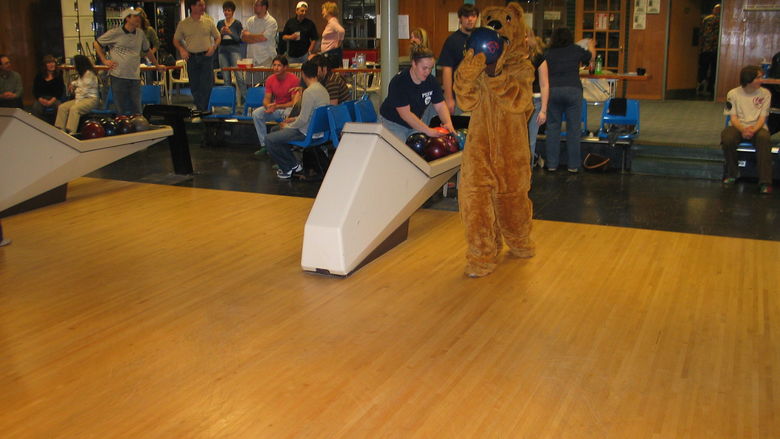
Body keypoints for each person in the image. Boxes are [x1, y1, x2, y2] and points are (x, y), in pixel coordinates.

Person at [265, 60, 330, 179]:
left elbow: (303, 120)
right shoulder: (323, 90)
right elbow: (310, 114)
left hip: (306, 132)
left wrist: (288, 126)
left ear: (303, 74)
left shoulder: (309, 92)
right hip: (317, 130)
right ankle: (292, 164)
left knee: (269, 139)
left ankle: (290, 167)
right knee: (275, 130)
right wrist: (293, 119)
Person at [543, 27, 594, 173]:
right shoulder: (576, 49)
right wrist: (591, 45)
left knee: (552, 128)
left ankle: (552, 164)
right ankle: (573, 166)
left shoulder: (548, 52)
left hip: (553, 91)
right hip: (573, 90)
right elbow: (590, 58)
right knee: (573, 129)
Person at [95, 7, 162, 115]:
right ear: (127, 19)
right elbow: (97, 43)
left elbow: (147, 50)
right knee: (120, 109)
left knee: (136, 109)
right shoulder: (115, 32)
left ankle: (136, 128)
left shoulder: (140, 34)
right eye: (135, 16)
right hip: (118, 75)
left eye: (138, 16)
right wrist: (104, 60)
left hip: (134, 76)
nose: (138, 18)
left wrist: (157, 65)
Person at [379, 46, 455, 142]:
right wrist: (428, 131)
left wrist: (448, 122)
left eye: (430, 68)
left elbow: (440, 105)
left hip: (414, 122)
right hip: (392, 123)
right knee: (401, 151)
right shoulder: (399, 82)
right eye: (424, 68)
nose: (428, 72)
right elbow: (406, 115)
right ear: (414, 64)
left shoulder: (431, 81)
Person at [722, 65, 773, 194]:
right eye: (759, 77)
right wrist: (744, 129)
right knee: (727, 137)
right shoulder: (732, 94)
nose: (762, 79)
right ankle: (732, 173)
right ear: (749, 79)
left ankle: (765, 181)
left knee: (764, 138)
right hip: (738, 126)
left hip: (757, 127)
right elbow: (733, 118)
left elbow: (762, 119)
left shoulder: (766, 94)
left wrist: (752, 130)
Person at [173, 0, 221, 112]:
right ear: (192, 7)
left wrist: (213, 47)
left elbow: (218, 37)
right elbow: (175, 40)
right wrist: (181, 50)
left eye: (203, 5)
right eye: (200, 5)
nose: (203, 7)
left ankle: (204, 109)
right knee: (194, 84)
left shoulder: (208, 22)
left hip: (206, 56)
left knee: (207, 85)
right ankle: (200, 107)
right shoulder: (183, 24)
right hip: (192, 57)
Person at [252, 55, 301, 153]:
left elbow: (294, 103)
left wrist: (276, 106)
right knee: (257, 114)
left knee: (288, 114)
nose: (276, 68)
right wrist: (268, 106)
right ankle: (264, 145)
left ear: (285, 67)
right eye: (274, 65)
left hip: (288, 108)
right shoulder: (270, 79)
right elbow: (266, 98)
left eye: (279, 65)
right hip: (276, 108)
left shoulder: (294, 79)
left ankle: (286, 148)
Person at [438, 4, 478, 115]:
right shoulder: (452, 40)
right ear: (460, 19)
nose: (470, 19)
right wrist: (449, 98)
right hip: (459, 97)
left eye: (473, 16)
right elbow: (446, 70)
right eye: (466, 16)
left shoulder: (481, 37)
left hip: (479, 95)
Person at [55, 55, 99, 134]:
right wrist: (73, 84)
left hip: (91, 100)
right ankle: (60, 130)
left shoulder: (89, 74)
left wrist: (76, 101)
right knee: (62, 107)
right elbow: (79, 83)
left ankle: (72, 131)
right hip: (81, 99)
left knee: (74, 109)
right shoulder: (82, 74)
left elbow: (83, 91)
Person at [241, 0, 277, 87]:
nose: (254, 7)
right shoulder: (250, 21)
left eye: (257, 5)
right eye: (254, 5)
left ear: (264, 7)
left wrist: (250, 35)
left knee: (266, 86)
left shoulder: (271, 21)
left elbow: (263, 37)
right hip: (251, 59)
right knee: (250, 85)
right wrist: (256, 37)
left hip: (265, 58)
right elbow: (243, 37)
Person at [527, 31, 549, 167]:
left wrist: (544, 110)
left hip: (535, 102)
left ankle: (527, 173)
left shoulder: (538, 58)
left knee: (530, 141)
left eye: (526, 36)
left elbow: (544, 84)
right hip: (516, 103)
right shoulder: (512, 58)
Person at [216, 1, 246, 102]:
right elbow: (217, 39)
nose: (226, 12)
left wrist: (230, 33)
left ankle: (245, 99)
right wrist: (220, 33)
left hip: (235, 51)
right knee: (226, 78)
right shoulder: (220, 23)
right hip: (222, 51)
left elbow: (239, 40)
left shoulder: (237, 23)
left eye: (228, 10)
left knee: (239, 76)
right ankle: (229, 100)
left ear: (233, 12)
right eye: (225, 10)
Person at [309, 2, 344, 69]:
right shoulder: (331, 22)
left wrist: (338, 43)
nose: (322, 12)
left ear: (329, 11)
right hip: (329, 53)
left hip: (331, 54)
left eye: (323, 10)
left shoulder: (332, 22)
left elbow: (341, 31)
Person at [31, 55, 65, 121]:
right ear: (45, 65)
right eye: (49, 63)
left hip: (54, 98)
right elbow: (35, 90)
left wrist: (51, 101)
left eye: (53, 62)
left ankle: (57, 126)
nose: (52, 64)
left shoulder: (59, 74)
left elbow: (60, 90)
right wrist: (40, 99)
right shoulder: (39, 75)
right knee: (36, 108)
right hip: (42, 98)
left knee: (59, 108)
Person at [698, 4, 720, 96]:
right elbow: (705, 34)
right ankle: (708, 88)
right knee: (711, 69)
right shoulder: (717, 19)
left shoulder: (706, 19)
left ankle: (704, 87)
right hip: (712, 49)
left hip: (707, 49)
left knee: (705, 68)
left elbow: (702, 34)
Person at [138, 9, 161, 85]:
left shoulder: (149, 30)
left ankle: (148, 93)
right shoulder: (132, 30)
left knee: (148, 78)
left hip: (146, 58)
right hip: (134, 58)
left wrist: (150, 54)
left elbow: (157, 44)